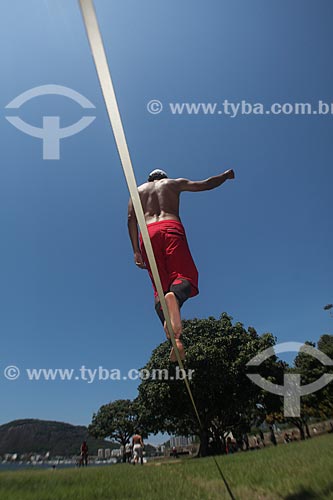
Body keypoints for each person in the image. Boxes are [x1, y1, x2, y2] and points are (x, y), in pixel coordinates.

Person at [128, 168, 235, 361]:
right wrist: (225, 176)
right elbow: (205, 183)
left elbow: (131, 219)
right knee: (184, 276)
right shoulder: (173, 183)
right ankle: (175, 297)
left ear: (149, 178)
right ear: (164, 177)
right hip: (170, 228)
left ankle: (176, 342)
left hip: (148, 237)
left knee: (159, 290)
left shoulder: (137, 191)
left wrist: (136, 250)